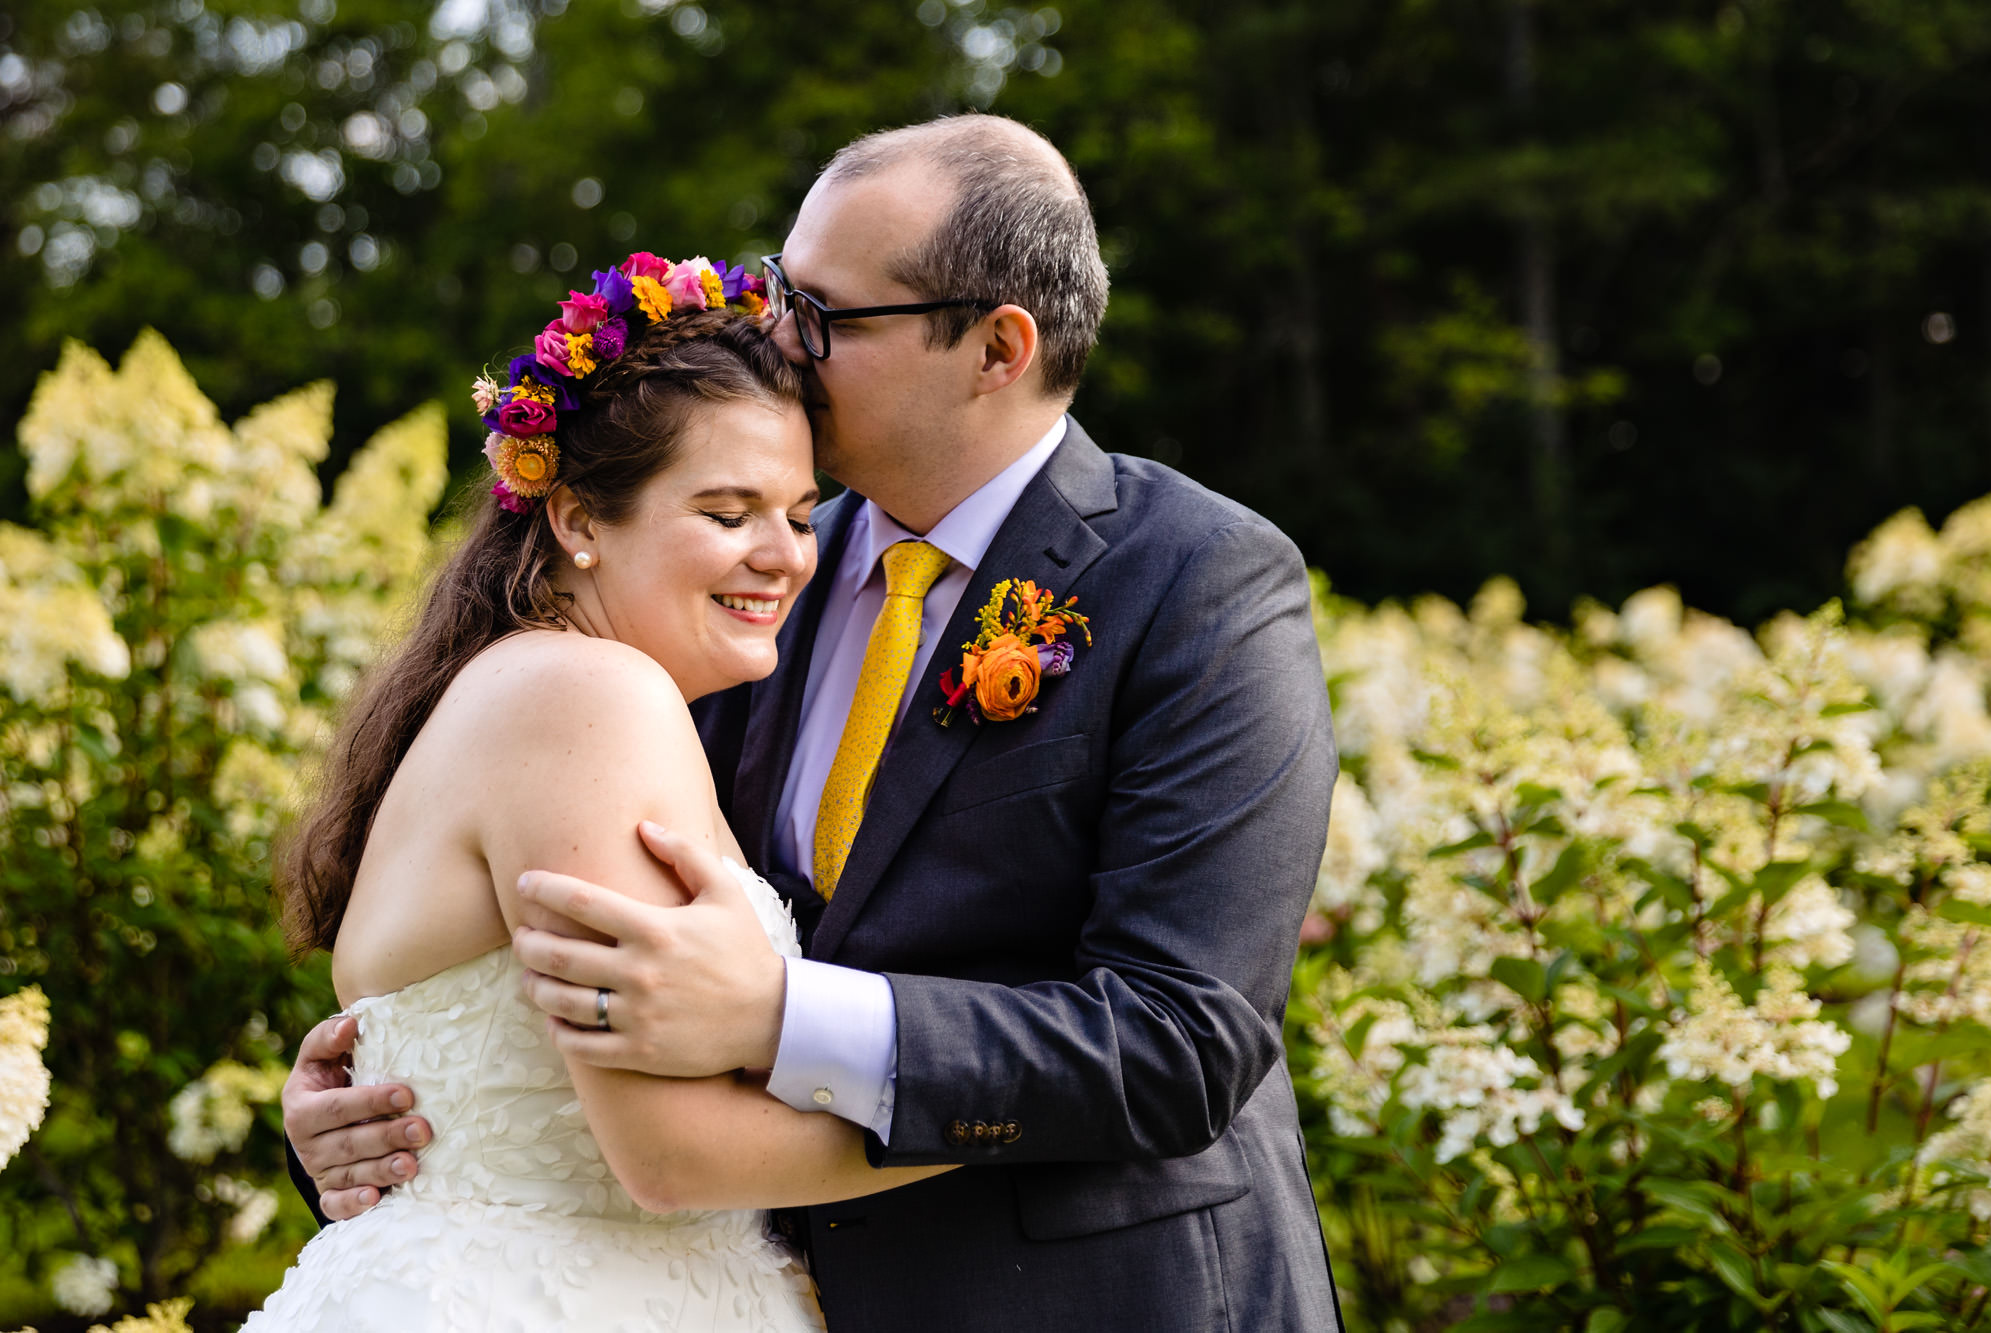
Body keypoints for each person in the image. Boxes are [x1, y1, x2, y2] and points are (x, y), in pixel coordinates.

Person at [286, 114, 1347, 1331]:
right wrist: (387, 1109)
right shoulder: (724, 595)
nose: (778, 335)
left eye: (825, 313)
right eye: (782, 291)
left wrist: (786, 1016)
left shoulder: (1198, 580)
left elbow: (1180, 1041)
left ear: (997, 347)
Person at [250, 261, 958, 1331]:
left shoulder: (541, 680)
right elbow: (668, 1153)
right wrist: (1035, 1121)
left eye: (801, 515)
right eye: (726, 512)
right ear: (579, 519)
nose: (782, 557)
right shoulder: (590, 695)